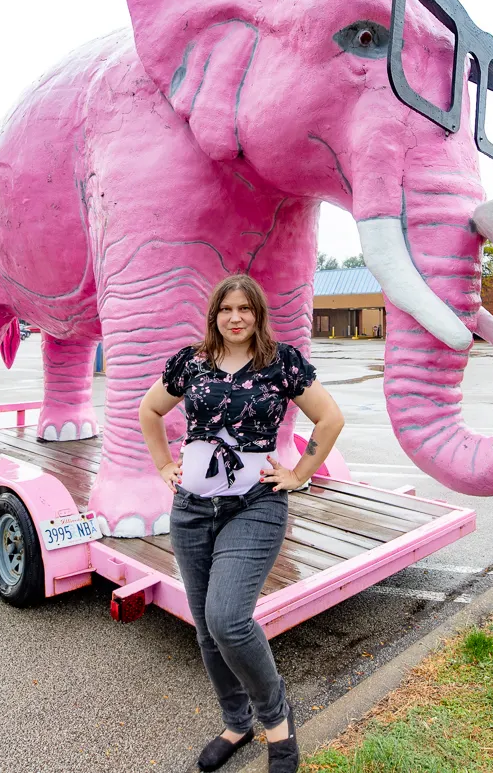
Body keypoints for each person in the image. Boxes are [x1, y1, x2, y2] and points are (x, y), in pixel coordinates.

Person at [139, 274, 344, 773]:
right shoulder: (191, 362)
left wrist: (297, 473)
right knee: (207, 630)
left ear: (258, 314)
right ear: (215, 315)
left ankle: (277, 722)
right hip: (191, 510)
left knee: (229, 619)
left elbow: (330, 418)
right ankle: (236, 722)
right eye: (226, 309)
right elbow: (149, 410)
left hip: (255, 505)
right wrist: (165, 465)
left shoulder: (282, 362)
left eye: (244, 309)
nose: (235, 317)